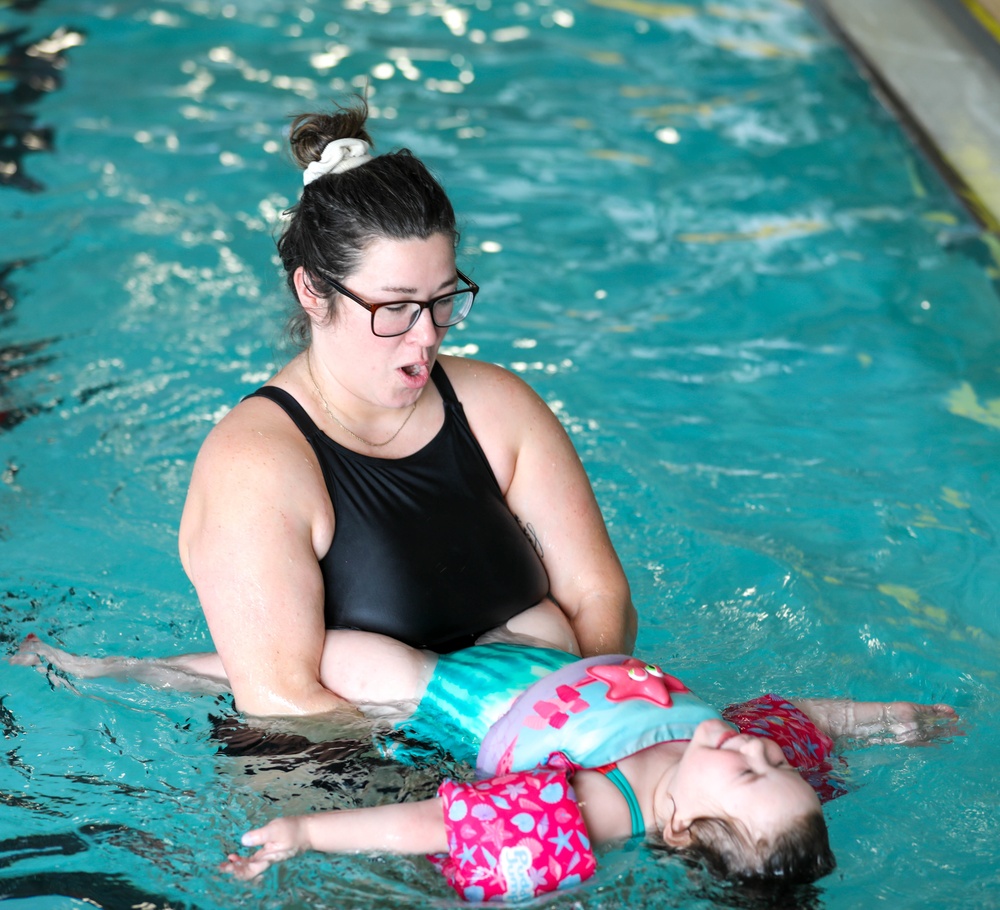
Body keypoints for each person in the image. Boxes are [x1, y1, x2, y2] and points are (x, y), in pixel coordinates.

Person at [176, 96, 635, 718]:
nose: (428, 336)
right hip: (341, 774)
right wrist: (490, 743)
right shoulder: (254, 466)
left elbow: (596, 594)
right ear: (312, 290)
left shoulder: (498, 406)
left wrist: (585, 721)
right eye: (394, 308)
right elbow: (283, 703)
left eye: (443, 299)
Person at [11, 632, 958, 900]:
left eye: (752, 773)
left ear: (681, 829)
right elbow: (805, 721)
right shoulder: (756, 754)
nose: (755, 749)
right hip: (553, 648)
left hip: (467, 695)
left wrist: (303, 832)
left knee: (328, 664)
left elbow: (436, 826)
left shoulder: (589, 813)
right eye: (769, 760)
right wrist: (898, 721)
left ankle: (124, 670)